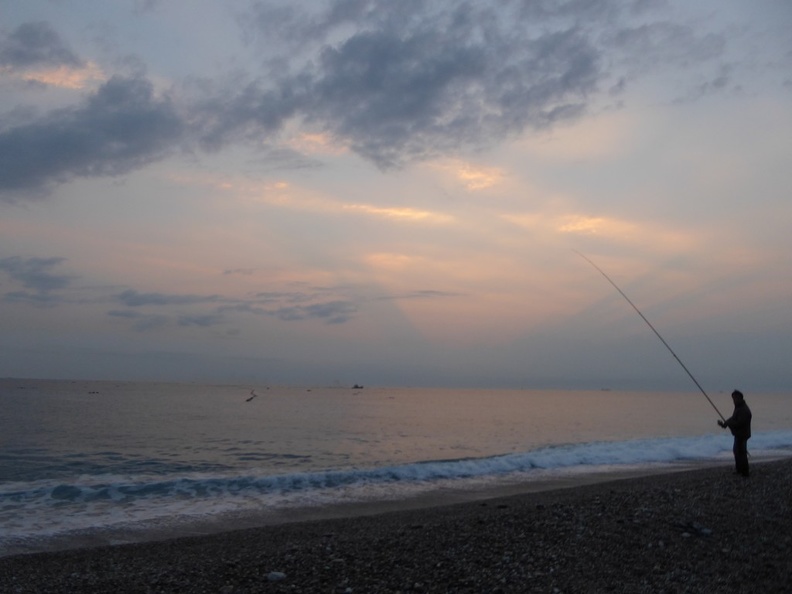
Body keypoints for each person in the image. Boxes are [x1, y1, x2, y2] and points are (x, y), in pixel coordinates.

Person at [717, 389, 752, 477]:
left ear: (740, 398)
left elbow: (739, 423)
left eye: (735, 398)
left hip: (742, 434)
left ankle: (744, 472)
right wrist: (724, 424)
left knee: (741, 452)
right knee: (737, 451)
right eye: (733, 398)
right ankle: (740, 470)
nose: (734, 400)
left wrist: (728, 423)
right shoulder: (739, 407)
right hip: (739, 434)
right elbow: (733, 418)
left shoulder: (743, 409)